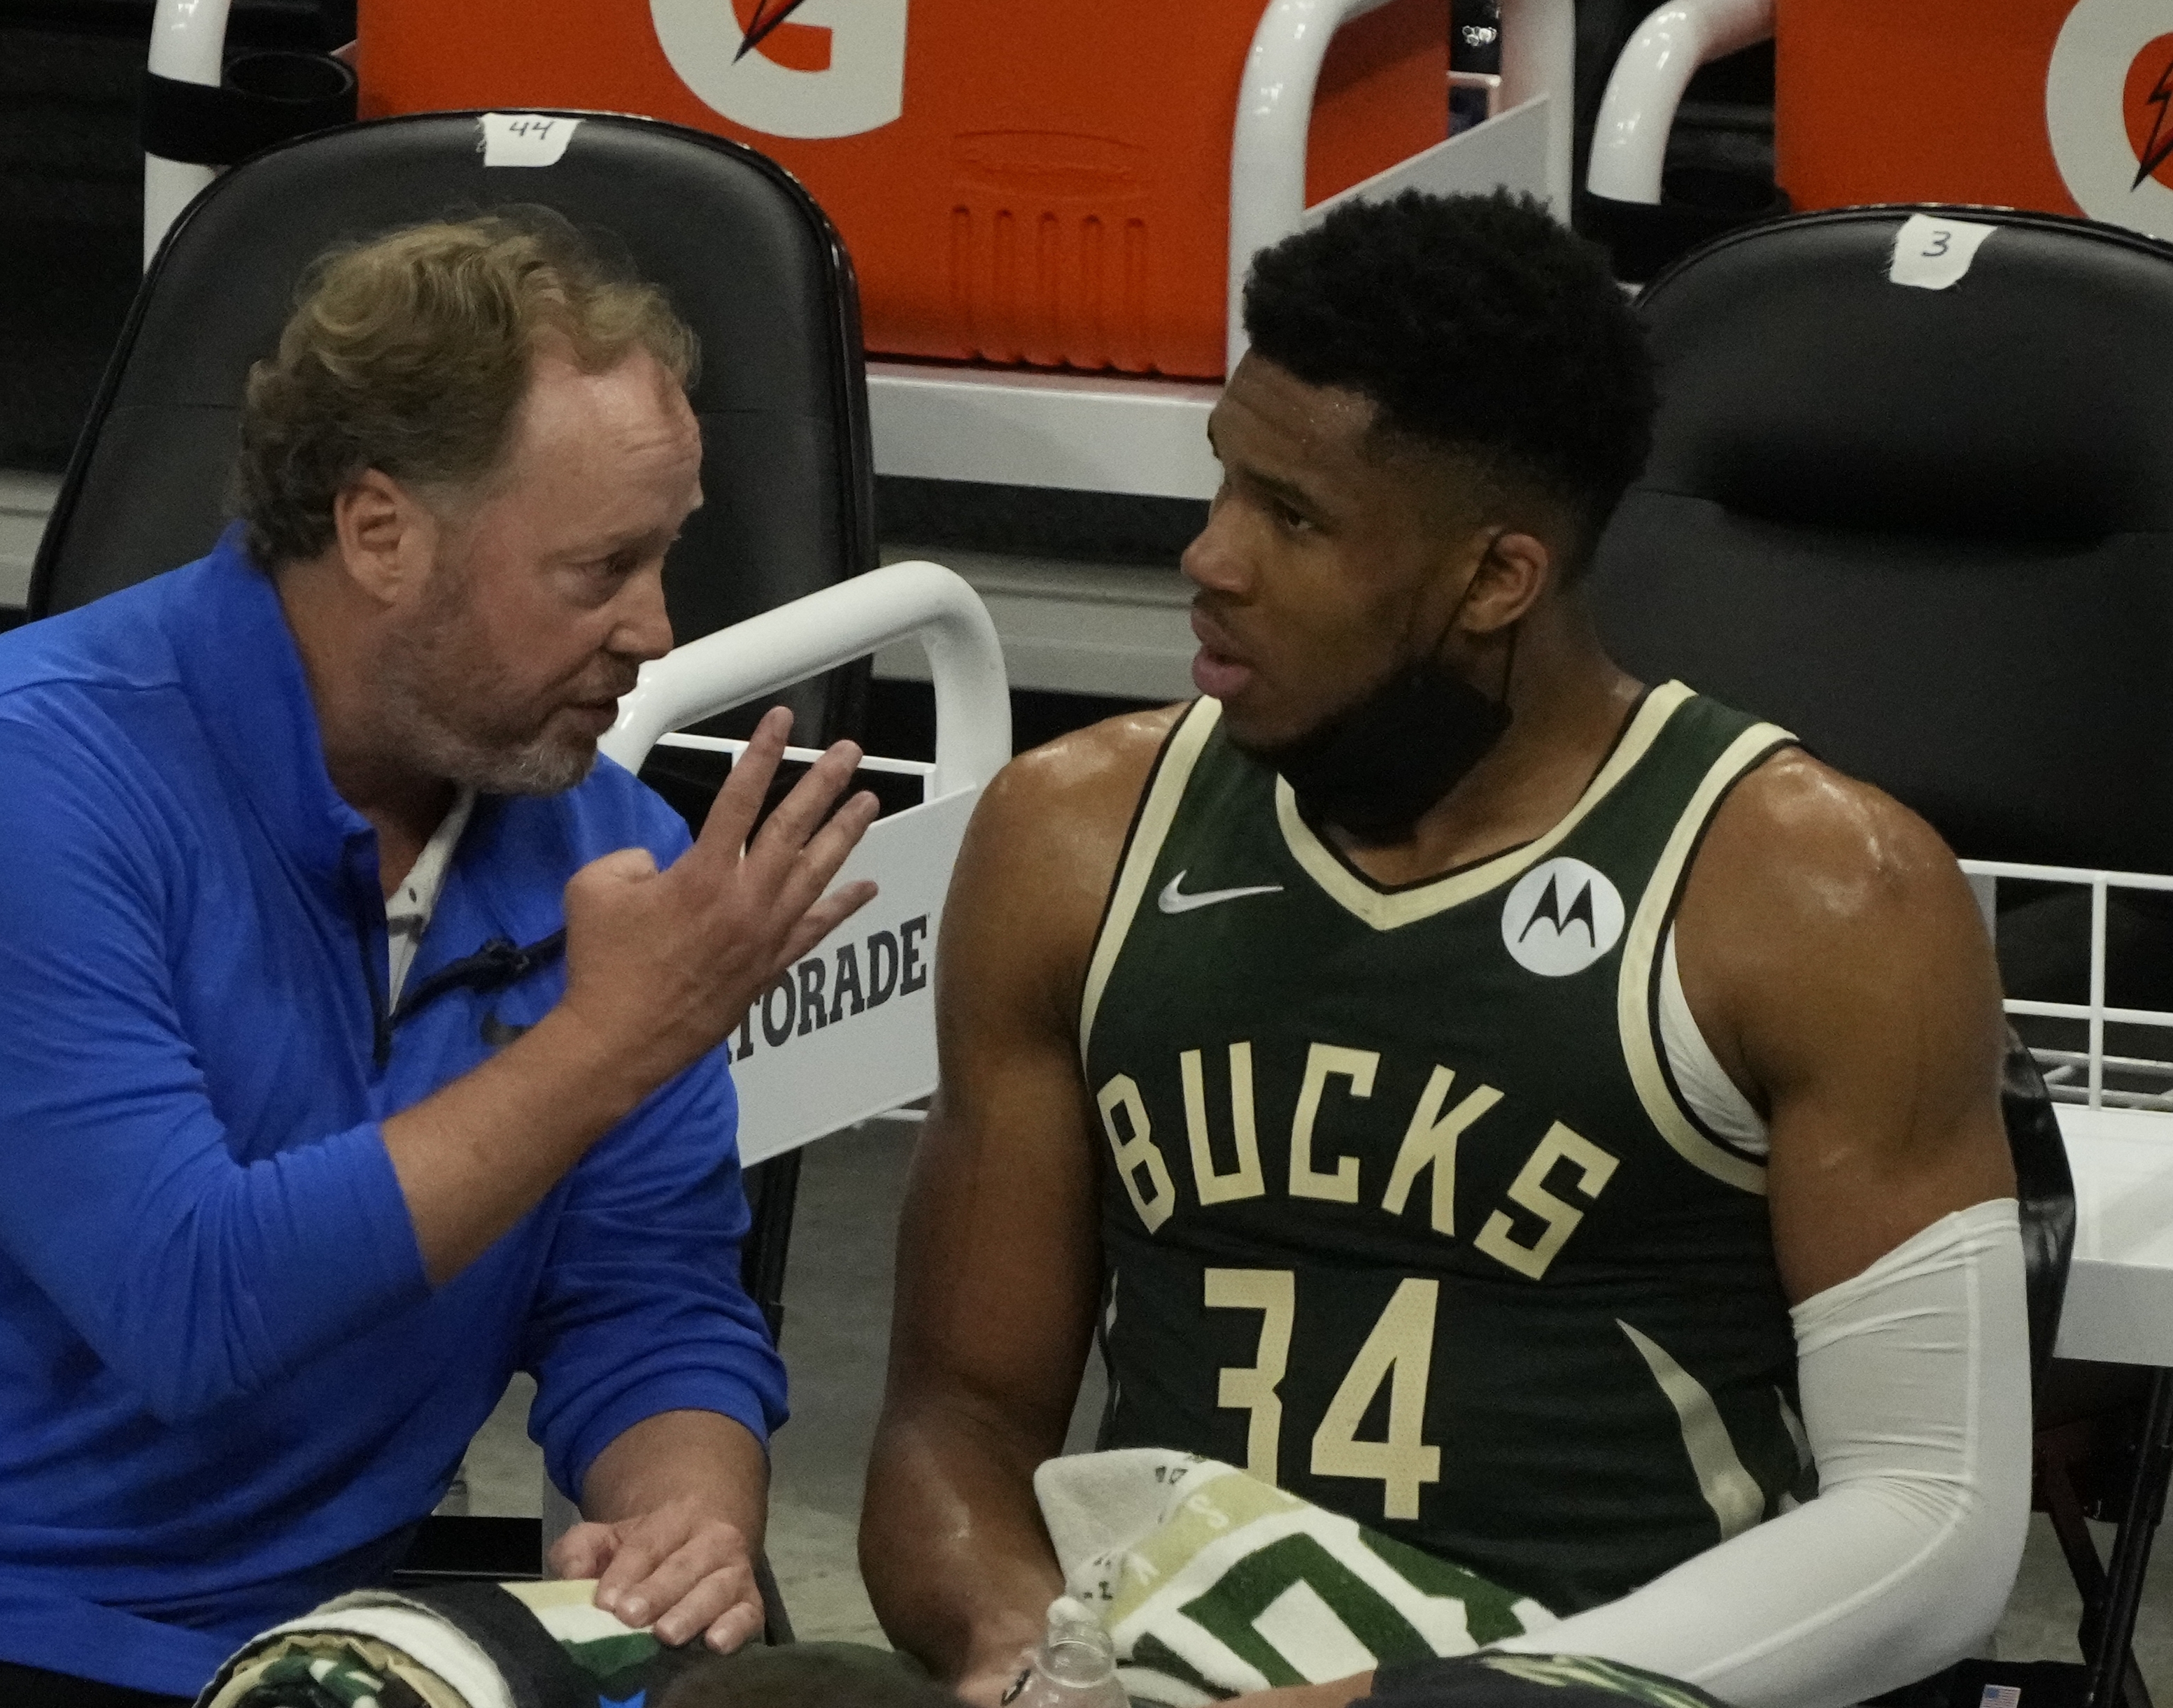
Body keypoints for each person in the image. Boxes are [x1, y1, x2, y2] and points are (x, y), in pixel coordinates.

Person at [0, 213, 879, 1705]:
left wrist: (688, 1521)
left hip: (264, 1654)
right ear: (380, 532)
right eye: (598, 570)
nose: (653, 631)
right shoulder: (6, 776)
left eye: (665, 558)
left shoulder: (605, 866)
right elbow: (191, 1303)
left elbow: (647, 1302)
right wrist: (609, 1044)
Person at [861, 190, 2028, 1708]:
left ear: (1496, 579)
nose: (1208, 558)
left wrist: (1437, 1705)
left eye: (1293, 518)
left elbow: (1934, 1517)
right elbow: (955, 1420)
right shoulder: (1071, 841)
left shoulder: (1816, 893)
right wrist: (1026, 1661)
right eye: (1223, 482)